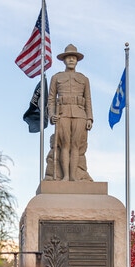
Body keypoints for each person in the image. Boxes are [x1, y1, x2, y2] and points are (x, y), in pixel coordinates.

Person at [47, 44, 93, 181]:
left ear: (77, 60)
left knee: (76, 146)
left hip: (80, 114)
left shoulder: (84, 79)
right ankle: (65, 176)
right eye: (68, 58)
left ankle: (74, 176)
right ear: (64, 60)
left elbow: (88, 99)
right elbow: (51, 99)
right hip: (62, 113)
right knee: (64, 145)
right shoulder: (56, 77)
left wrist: (90, 118)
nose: (71, 60)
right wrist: (51, 115)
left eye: (73, 58)